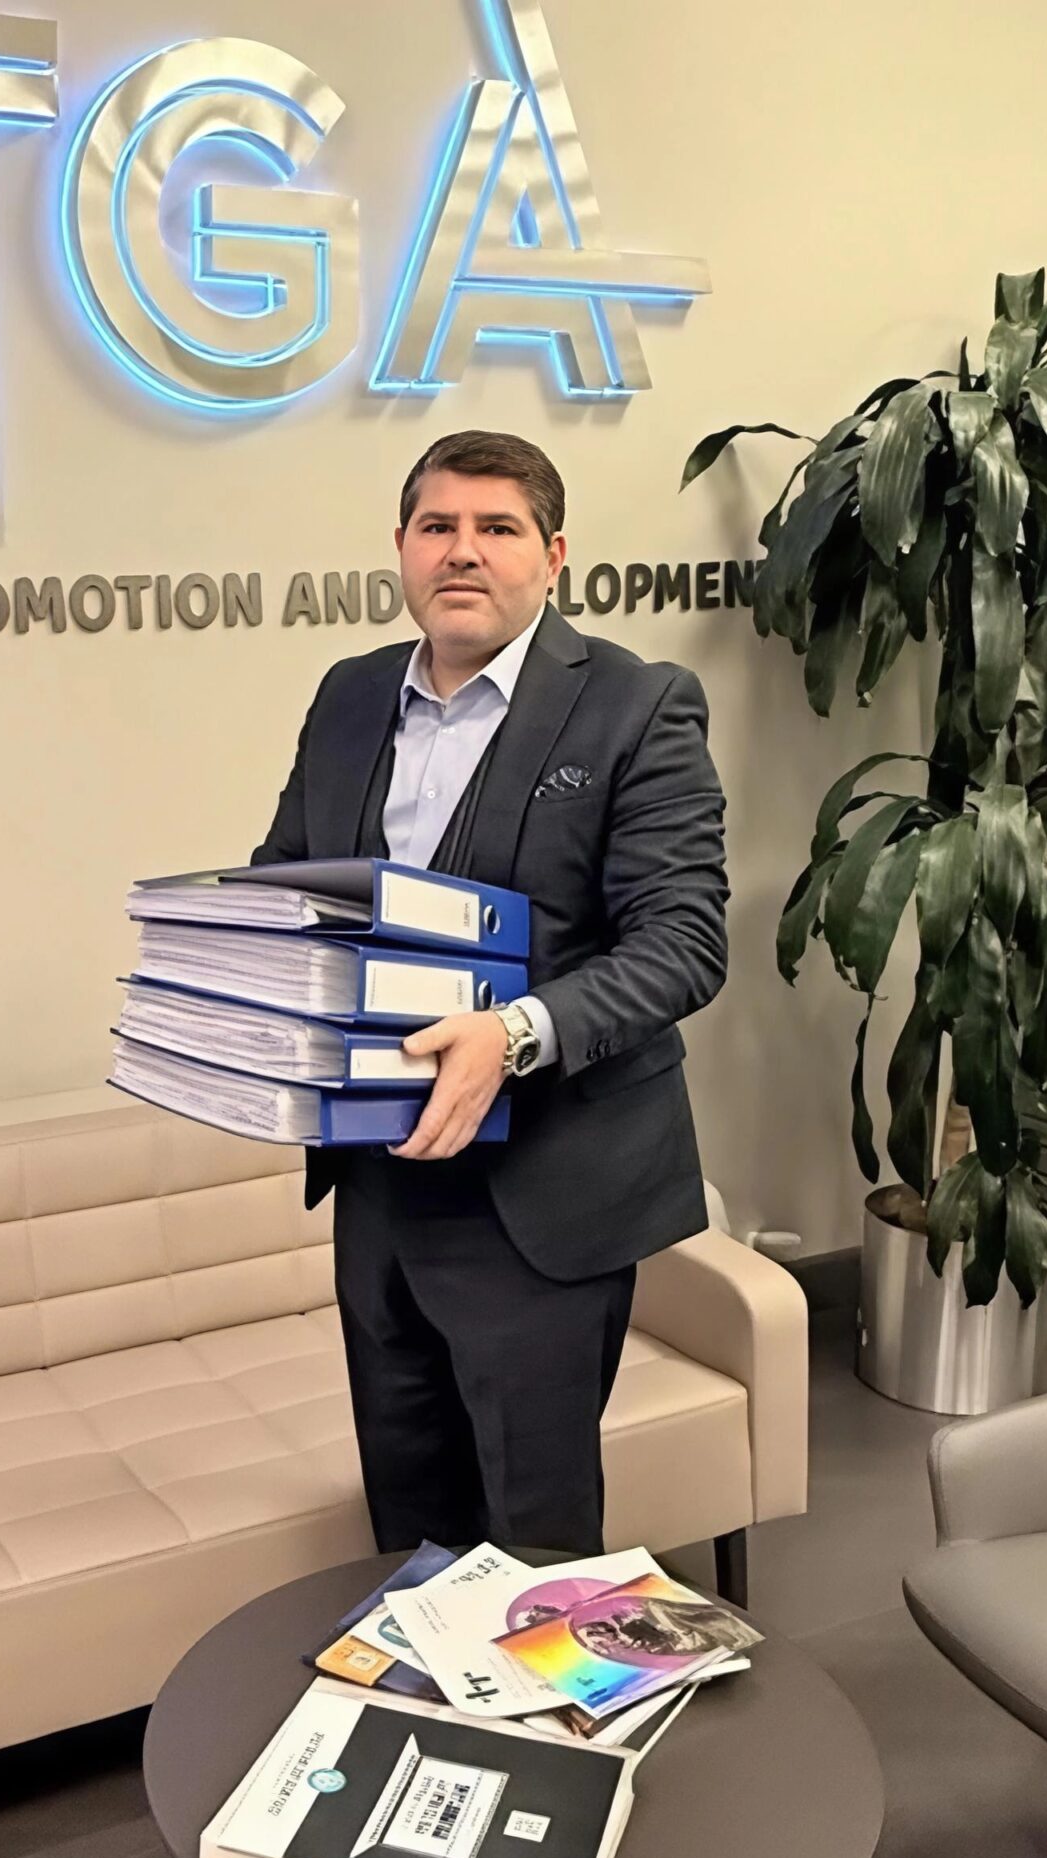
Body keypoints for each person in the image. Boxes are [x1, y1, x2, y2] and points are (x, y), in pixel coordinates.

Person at [253, 429, 729, 1557]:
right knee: (408, 1510)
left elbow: (682, 942)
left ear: (553, 556)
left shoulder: (636, 705)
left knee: (533, 1530)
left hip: (546, 1197)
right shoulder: (351, 695)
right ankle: (426, 1670)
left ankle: (542, 1683)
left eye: (497, 528)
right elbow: (287, 883)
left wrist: (514, 1034)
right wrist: (237, 995)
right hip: (379, 1182)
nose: (462, 551)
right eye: (438, 526)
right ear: (402, 548)